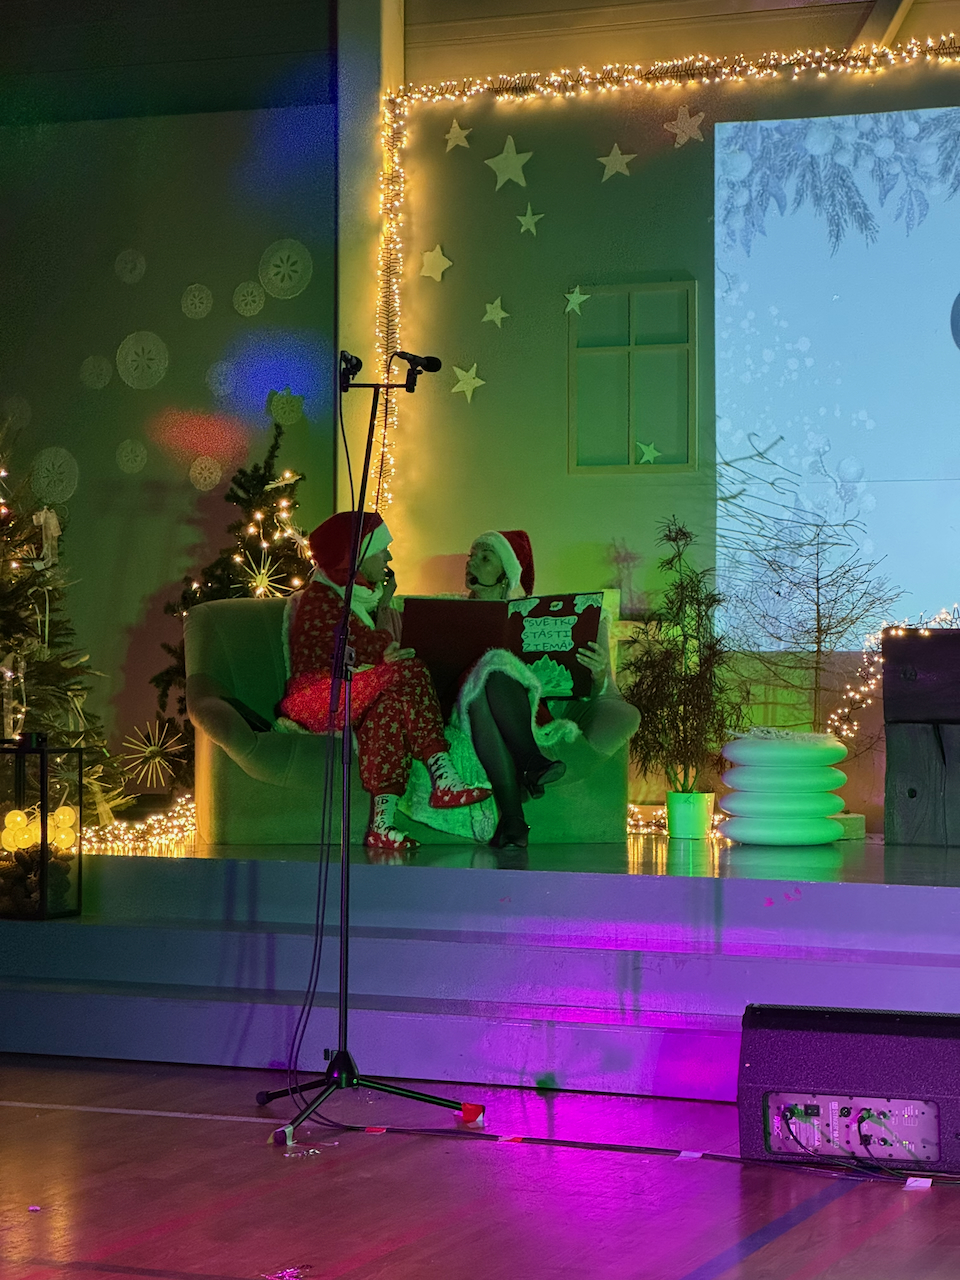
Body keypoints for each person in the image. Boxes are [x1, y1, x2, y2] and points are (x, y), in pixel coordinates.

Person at [399, 529, 629, 850]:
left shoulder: (532, 618)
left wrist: (599, 672)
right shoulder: (446, 608)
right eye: (471, 556)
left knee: (492, 676)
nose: (472, 563)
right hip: (456, 703)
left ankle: (514, 821)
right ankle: (531, 761)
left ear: (505, 573)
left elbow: (573, 683)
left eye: (485, 558)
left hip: (513, 709)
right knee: (491, 664)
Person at [278, 510, 490, 854]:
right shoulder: (320, 598)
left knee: (388, 710)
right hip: (317, 697)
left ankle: (382, 826)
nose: (389, 558)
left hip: (355, 691)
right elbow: (365, 644)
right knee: (410, 669)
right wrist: (384, 650)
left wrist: (386, 607)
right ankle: (443, 774)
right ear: (356, 557)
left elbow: (376, 647)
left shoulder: (362, 597)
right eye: (382, 550)